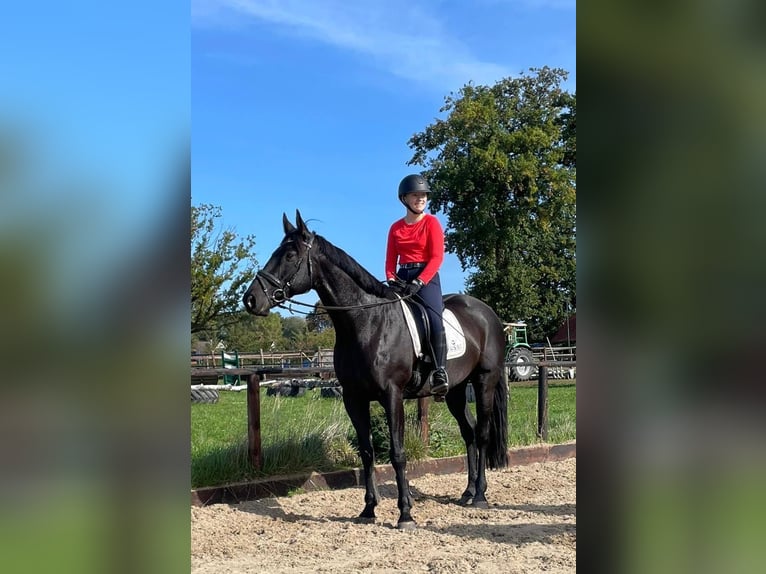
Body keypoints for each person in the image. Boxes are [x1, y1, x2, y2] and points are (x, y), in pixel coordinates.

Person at [385, 174, 449, 397]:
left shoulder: (432, 223)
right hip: (403, 276)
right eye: (416, 195)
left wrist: (420, 281)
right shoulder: (395, 228)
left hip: (427, 277)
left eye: (423, 195)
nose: (420, 199)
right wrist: (392, 279)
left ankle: (440, 371)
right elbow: (390, 260)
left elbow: (436, 257)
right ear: (404, 199)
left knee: (434, 320)